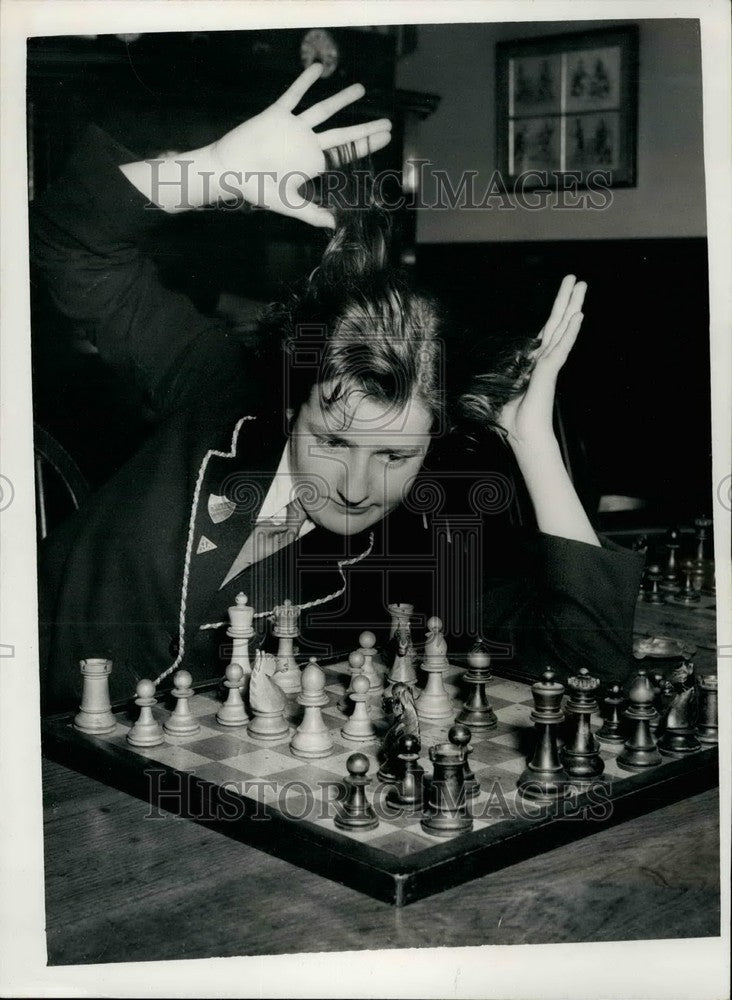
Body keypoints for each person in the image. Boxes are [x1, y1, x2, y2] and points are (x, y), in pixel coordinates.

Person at [32, 65, 643, 712]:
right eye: (333, 439)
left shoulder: (418, 548)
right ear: (293, 398)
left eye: (395, 456)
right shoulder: (213, 388)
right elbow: (69, 244)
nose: (355, 487)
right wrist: (206, 171)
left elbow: (586, 669)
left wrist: (533, 444)